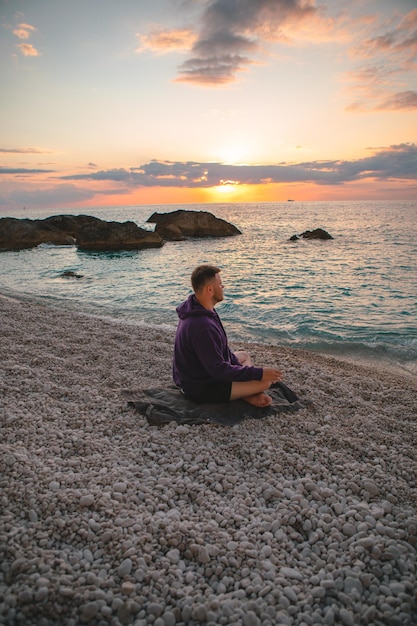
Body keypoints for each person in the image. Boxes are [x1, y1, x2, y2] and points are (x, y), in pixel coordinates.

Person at [173, 264, 283, 408]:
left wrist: (247, 375)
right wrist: (259, 373)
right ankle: (246, 394)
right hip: (199, 387)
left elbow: (222, 353)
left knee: (243, 355)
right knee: (265, 382)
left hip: (199, 372)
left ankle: (245, 393)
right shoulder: (202, 326)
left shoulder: (200, 309)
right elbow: (219, 371)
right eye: (220, 284)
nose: (223, 287)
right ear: (210, 289)